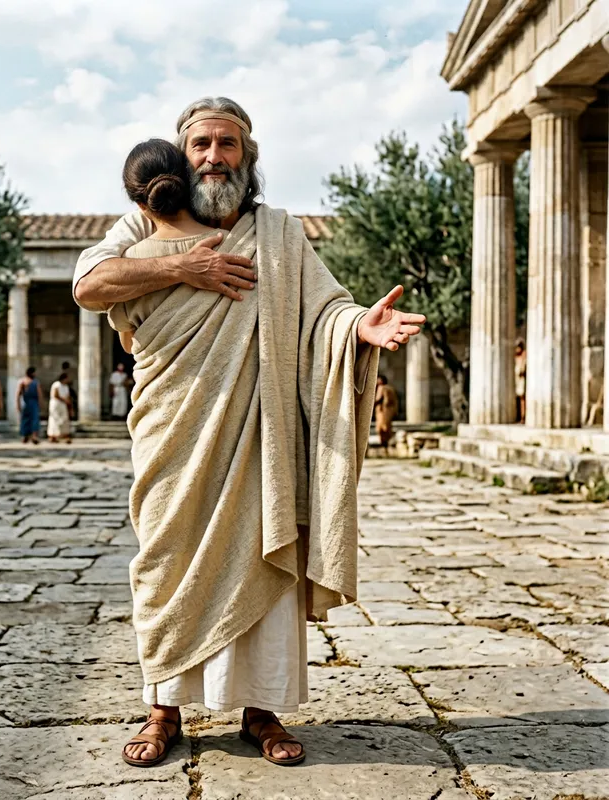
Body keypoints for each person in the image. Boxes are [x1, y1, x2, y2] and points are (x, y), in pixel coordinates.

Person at [73, 99, 426, 768]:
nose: (214, 156)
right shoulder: (142, 223)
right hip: (174, 434)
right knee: (167, 561)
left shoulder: (280, 234)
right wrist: (185, 266)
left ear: (247, 155)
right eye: (201, 143)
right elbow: (90, 284)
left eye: (227, 143)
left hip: (260, 435)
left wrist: (359, 327)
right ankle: (163, 707)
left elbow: (327, 309)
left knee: (263, 554)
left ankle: (261, 708)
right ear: (182, 156)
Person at [17, 366, 43, 444]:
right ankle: (33, 436)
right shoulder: (35, 382)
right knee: (34, 419)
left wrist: (18, 404)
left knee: (26, 419)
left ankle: (26, 436)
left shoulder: (23, 381)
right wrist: (40, 404)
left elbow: (18, 395)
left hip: (26, 403)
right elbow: (39, 394)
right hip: (32, 403)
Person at [374, 374, 399, 448]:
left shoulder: (382, 388)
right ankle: (386, 443)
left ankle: (384, 443)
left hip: (383, 410)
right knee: (385, 427)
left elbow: (379, 399)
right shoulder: (390, 388)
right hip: (387, 410)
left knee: (382, 427)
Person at [47, 372, 73, 443]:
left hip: (63, 405)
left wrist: (69, 404)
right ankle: (53, 436)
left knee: (64, 419)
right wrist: (64, 400)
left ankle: (64, 435)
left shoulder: (66, 386)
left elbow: (67, 396)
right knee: (54, 419)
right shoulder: (56, 384)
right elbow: (56, 395)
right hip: (56, 404)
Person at [515, 339, 527, 423]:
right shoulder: (516, 356)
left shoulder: (524, 355)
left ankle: (523, 417)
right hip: (517, 380)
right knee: (519, 399)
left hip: (522, 379)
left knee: (523, 399)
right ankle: (519, 416)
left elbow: (523, 368)